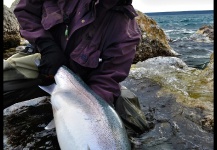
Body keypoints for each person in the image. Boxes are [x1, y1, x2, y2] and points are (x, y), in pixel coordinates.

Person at [5, 0, 149, 136]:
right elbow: (25, 11)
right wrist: (46, 45)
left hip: (87, 85)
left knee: (135, 123)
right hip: (45, 60)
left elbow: (107, 80)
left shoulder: (126, 31)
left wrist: (83, 111)